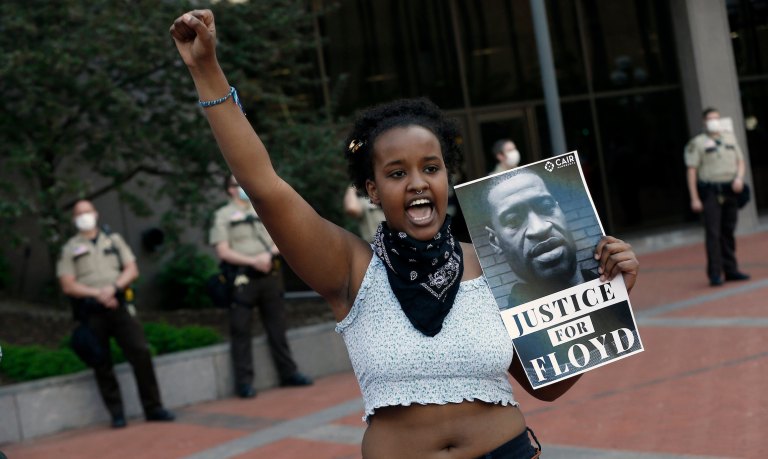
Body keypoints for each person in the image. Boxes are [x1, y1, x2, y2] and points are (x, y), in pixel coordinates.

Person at [170, 10, 639, 457]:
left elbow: (547, 385)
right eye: (397, 173)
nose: (417, 182)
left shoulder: (495, 263)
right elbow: (264, 186)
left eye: (430, 168)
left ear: (446, 179)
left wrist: (608, 299)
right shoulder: (348, 267)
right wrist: (207, 70)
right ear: (372, 189)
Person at [56, 200, 175, 429]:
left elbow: (132, 268)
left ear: (96, 213)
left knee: (140, 351)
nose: (84, 216)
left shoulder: (114, 240)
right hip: (91, 311)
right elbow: (68, 284)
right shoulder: (70, 248)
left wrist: (113, 289)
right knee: (101, 362)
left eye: (87, 211)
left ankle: (154, 407)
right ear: (74, 219)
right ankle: (117, 413)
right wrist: (97, 294)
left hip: (118, 306)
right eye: (79, 213)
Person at [210, 175, 313, 398]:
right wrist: (252, 261)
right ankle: (244, 383)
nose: (243, 188)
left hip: (269, 274)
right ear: (229, 190)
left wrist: (267, 255)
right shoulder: (223, 216)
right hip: (242, 279)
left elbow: (279, 237)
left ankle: (289, 373)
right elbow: (223, 250)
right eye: (238, 185)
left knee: (277, 326)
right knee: (240, 330)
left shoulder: (261, 210)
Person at [485, 169, 598, 308]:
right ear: (495, 242)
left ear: (562, 212)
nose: (539, 228)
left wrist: (622, 283)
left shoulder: (611, 284)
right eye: (513, 220)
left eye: (546, 207)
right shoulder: (503, 326)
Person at [685, 107, 750, 287]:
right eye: (711, 119)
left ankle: (731, 270)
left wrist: (739, 178)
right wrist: (694, 198)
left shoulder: (729, 138)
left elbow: (741, 161)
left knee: (728, 230)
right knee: (713, 233)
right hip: (710, 192)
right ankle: (715, 274)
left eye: (717, 118)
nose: (714, 122)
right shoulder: (697, 143)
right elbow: (691, 171)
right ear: (704, 122)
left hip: (730, 190)